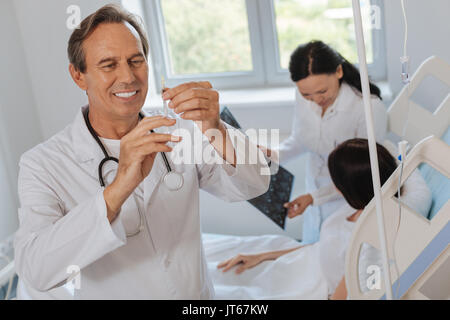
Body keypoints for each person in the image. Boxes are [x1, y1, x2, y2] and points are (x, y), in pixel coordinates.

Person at [13, 4, 270, 300]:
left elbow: (254, 184)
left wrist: (215, 127)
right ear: (78, 76)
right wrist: (118, 188)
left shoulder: (181, 133)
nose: (128, 77)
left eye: (136, 60)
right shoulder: (43, 164)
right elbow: (37, 271)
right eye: (109, 65)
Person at [211, 139, 431, 299]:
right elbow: (323, 248)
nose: (332, 185)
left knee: (215, 289)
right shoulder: (366, 203)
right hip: (298, 256)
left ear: (347, 186)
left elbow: (356, 287)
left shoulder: (371, 233)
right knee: (221, 263)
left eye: (334, 179)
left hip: (307, 286)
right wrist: (264, 256)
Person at [262, 40, 388, 244]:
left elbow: (362, 173)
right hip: (314, 196)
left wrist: (314, 197)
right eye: (306, 94)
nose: (316, 99)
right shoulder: (305, 97)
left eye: (322, 92)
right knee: (312, 253)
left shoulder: (367, 108)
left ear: (338, 71)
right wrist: (273, 155)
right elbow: (302, 140)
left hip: (348, 201)